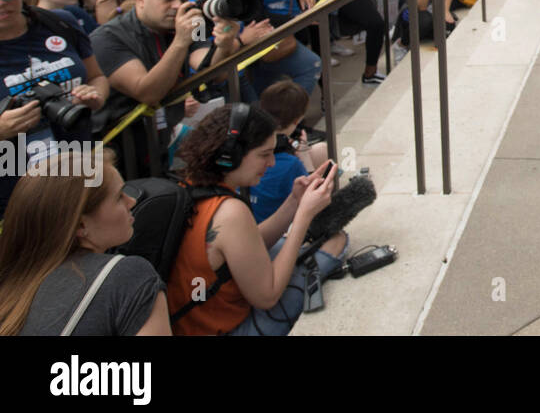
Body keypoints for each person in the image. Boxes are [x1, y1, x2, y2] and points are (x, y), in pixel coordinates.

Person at [167, 104, 341, 336]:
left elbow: (245, 245)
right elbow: (267, 296)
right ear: (230, 155)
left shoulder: (188, 186)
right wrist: (304, 216)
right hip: (232, 328)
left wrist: (293, 202)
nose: (271, 163)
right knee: (337, 241)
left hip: (192, 323)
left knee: (299, 247)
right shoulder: (230, 212)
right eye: (264, 154)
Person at [0, 148, 171, 335]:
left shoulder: (11, 291)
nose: (131, 201)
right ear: (81, 225)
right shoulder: (128, 277)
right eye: (119, 197)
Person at [90, 0, 239, 173]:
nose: (178, 6)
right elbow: (147, 92)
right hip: (114, 153)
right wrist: (180, 42)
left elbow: (211, 71)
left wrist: (224, 45)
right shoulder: (107, 38)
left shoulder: (187, 25)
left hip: (160, 140)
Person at [0, 0, 112, 217]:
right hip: (15, 192)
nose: (2, 3)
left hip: (79, 170)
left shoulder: (59, 22)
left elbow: (97, 77)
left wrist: (95, 95)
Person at [247, 80, 331, 223]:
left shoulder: (249, 142)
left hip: (254, 218)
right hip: (279, 229)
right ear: (297, 120)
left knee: (321, 150)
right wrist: (304, 158)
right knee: (339, 238)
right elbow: (314, 204)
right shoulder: (290, 163)